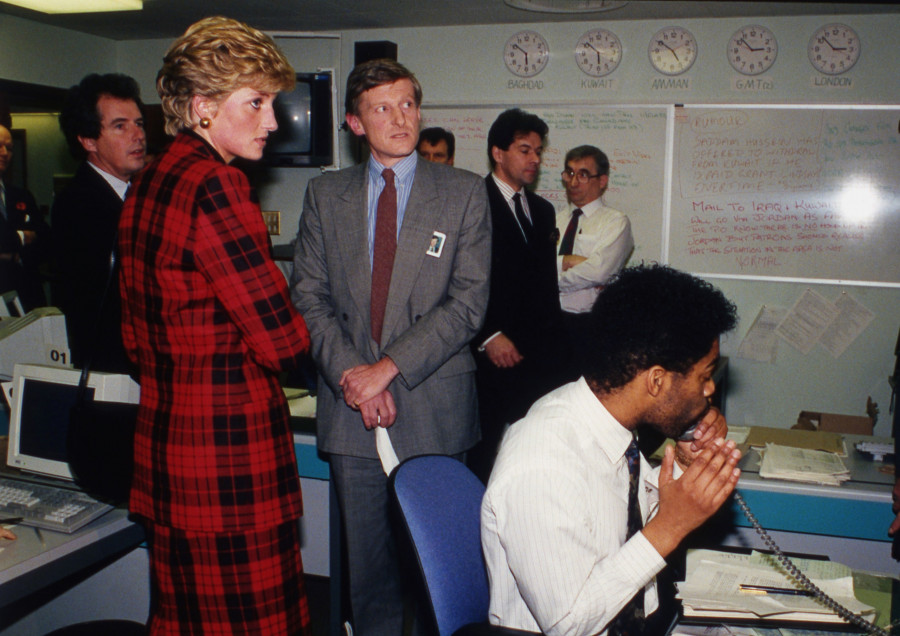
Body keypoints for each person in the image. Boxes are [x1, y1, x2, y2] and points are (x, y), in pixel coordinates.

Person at [118, 17, 313, 635]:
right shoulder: (218, 184)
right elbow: (282, 338)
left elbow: (134, 335)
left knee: (183, 622)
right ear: (202, 108)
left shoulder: (146, 182)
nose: (273, 121)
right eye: (255, 103)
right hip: (229, 460)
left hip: (167, 450)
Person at [291, 58, 491, 635]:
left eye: (407, 104)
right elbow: (308, 296)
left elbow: (468, 304)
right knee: (369, 574)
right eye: (382, 108)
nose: (400, 119)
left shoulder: (463, 194)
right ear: (354, 123)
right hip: (351, 409)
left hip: (433, 406)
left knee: (440, 575)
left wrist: (386, 369)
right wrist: (355, 374)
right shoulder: (325, 195)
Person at [481, 264, 742, 636]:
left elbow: (620, 526)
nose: (709, 391)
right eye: (703, 376)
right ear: (656, 380)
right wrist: (671, 528)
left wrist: (685, 467)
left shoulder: (605, 422)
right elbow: (568, 624)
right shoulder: (542, 463)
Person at [469, 107, 572, 483]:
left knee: (535, 461)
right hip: (491, 358)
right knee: (485, 460)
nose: (535, 159)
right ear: (498, 153)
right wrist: (488, 335)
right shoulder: (471, 204)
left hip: (540, 359)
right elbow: (458, 281)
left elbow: (545, 287)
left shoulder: (543, 211)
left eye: (539, 151)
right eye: (525, 150)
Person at [52, 73, 146, 372]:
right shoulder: (78, 204)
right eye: (120, 126)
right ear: (88, 140)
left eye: (139, 123)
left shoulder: (141, 194)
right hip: (110, 368)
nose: (138, 135)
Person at [557, 145, 633, 348]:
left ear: (602, 181)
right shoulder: (553, 220)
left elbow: (598, 272)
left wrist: (548, 281)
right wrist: (566, 261)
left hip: (589, 325)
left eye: (583, 175)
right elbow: (534, 267)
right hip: (549, 321)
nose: (573, 182)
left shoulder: (615, 222)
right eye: (570, 173)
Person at [0, 123, 50, 311]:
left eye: (10, 148)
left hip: (28, 297)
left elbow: (46, 240)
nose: (5, 153)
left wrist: (10, 254)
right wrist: (23, 237)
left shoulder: (21, 196)